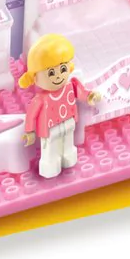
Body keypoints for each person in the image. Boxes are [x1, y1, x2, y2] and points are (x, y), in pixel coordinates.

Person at [20, 33, 101, 178]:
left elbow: (81, 92)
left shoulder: (70, 86)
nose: (58, 76)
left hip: (68, 121)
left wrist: (90, 96)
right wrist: (30, 132)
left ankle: (68, 156)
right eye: (51, 72)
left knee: (68, 143)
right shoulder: (40, 99)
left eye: (62, 69)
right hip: (50, 128)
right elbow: (31, 116)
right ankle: (50, 165)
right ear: (35, 77)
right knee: (51, 148)